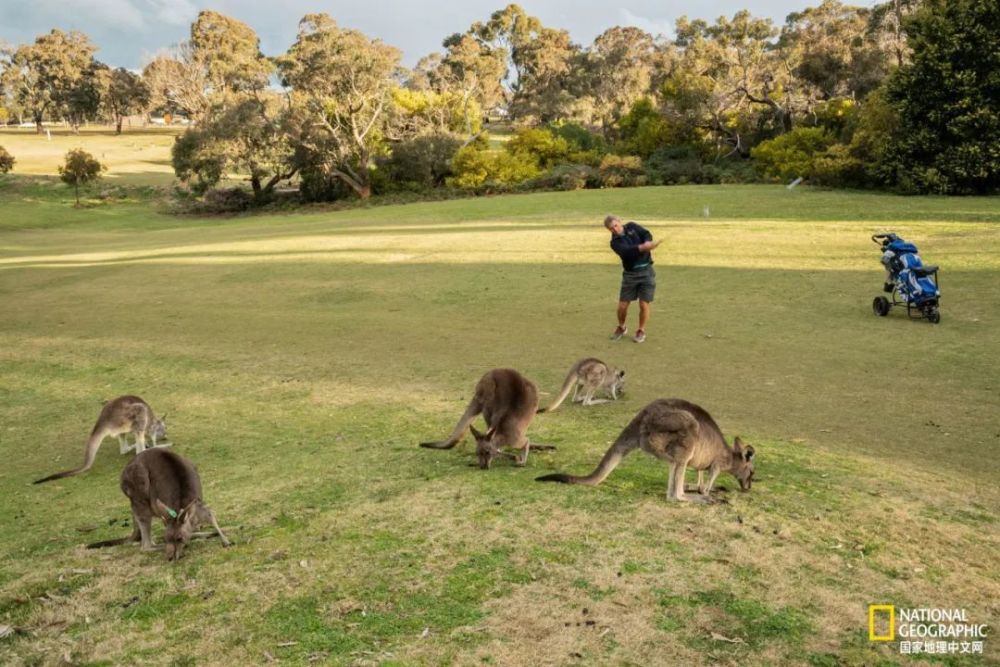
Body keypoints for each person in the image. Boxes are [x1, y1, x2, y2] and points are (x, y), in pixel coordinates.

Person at [605, 215, 660, 343]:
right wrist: (642, 248)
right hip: (630, 275)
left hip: (647, 271)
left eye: (616, 225)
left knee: (643, 303)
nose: (615, 229)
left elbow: (646, 233)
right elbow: (627, 252)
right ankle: (622, 327)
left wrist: (647, 241)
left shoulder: (632, 227)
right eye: (611, 229)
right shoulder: (615, 243)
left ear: (619, 222)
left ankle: (641, 330)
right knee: (623, 305)